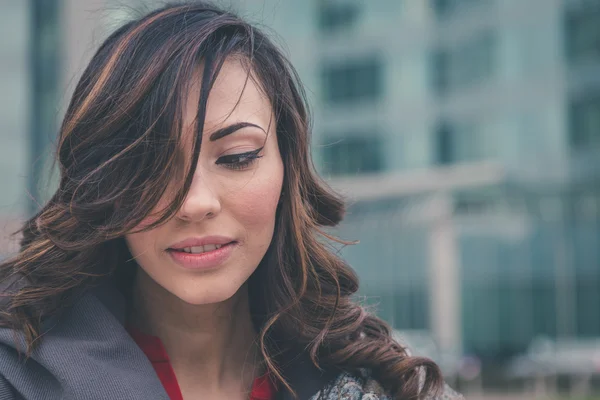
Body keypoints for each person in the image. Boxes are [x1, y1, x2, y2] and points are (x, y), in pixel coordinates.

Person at [0, 2, 463, 399]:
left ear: (288, 165)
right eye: (151, 165)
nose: (195, 203)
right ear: (103, 184)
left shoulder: (379, 382)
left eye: (237, 157)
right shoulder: (16, 376)